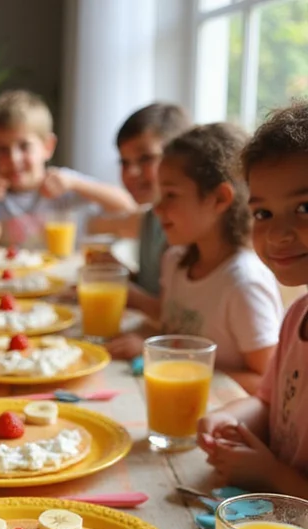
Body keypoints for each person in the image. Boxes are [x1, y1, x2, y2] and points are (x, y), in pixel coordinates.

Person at [107, 122, 283, 395]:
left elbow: (267, 382)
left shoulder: (244, 284)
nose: (158, 208)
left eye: (171, 195)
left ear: (220, 198)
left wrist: (168, 359)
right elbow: (176, 323)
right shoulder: (175, 261)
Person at [198, 103, 308, 497]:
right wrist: (228, 417)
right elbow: (268, 404)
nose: (278, 234)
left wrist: (271, 475)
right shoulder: (297, 315)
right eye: (263, 213)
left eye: (304, 207)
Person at [0, 89, 135, 248]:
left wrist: (76, 184)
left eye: (24, 146)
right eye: (2, 150)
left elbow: (127, 206)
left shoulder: (64, 183)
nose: (14, 159)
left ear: (48, 147)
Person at [89, 102, 191, 297]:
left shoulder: (186, 228)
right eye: (124, 162)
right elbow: (152, 288)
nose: (131, 173)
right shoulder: (150, 218)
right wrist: (120, 273)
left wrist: (126, 290)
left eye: (146, 159)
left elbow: (172, 308)